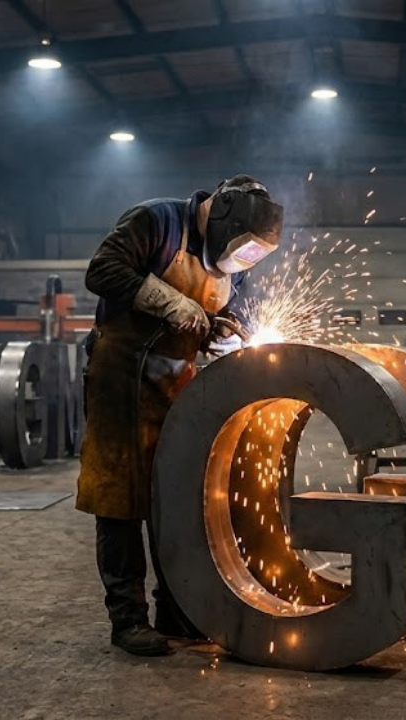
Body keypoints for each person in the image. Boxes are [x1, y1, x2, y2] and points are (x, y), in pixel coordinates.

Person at [77, 175, 284, 657]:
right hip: (120, 378)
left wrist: (225, 330)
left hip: (177, 386)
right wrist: (170, 303)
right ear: (221, 212)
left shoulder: (231, 258)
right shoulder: (157, 220)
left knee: (175, 496)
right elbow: (102, 271)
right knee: (120, 498)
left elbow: (223, 313)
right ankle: (128, 621)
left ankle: (176, 609)